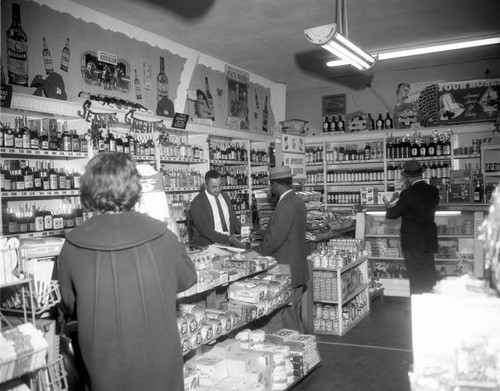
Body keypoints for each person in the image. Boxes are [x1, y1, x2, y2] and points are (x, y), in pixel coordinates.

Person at [58, 152, 197, 391]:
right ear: (135, 187)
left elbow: (70, 305)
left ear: (90, 188)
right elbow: (187, 278)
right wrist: (176, 236)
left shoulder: (73, 243)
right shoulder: (161, 234)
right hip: (159, 359)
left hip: (104, 361)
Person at [244, 165, 308, 332]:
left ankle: (299, 352)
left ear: (276, 186)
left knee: (289, 317)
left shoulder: (284, 206)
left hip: (287, 270)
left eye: (271, 186)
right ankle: (300, 351)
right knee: (294, 312)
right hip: (297, 267)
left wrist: (254, 253)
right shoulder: (297, 201)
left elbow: (273, 242)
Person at [384, 159, 440, 295]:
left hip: (413, 245)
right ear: (421, 174)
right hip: (429, 242)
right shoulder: (433, 191)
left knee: (416, 280)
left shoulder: (407, 194)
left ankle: (418, 310)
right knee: (429, 277)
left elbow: (392, 214)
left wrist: (388, 204)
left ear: (408, 177)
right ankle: (431, 307)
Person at [189, 169, 243, 248]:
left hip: (227, 244)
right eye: (214, 187)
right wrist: (228, 239)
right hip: (207, 247)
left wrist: (243, 229)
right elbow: (206, 231)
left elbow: (232, 219)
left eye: (220, 185)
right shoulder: (198, 202)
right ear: (206, 186)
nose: (218, 189)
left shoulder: (225, 197)